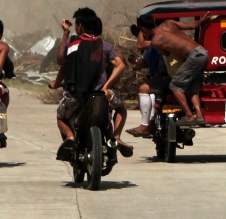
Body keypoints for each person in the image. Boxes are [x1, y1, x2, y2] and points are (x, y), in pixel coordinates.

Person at [50, 9, 132, 158]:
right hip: (100, 96)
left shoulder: (73, 43)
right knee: (121, 108)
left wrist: (65, 33)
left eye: (76, 25)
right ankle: (116, 137)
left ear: (80, 26)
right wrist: (106, 86)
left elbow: (61, 62)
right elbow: (121, 65)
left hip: (75, 96)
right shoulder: (105, 46)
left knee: (61, 116)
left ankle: (70, 137)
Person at [136, 12, 212, 123]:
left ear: (143, 28)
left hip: (192, 56)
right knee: (192, 87)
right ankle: (199, 116)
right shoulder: (169, 23)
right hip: (202, 53)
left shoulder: (156, 41)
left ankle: (189, 115)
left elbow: (166, 53)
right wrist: (202, 20)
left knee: (175, 85)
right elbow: (192, 25)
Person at [127, 24, 169, 138]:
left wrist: (135, 64)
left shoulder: (154, 44)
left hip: (162, 78)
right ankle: (151, 121)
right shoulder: (173, 40)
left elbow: (141, 62)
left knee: (144, 89)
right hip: (176, 78)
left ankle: (145, 125)